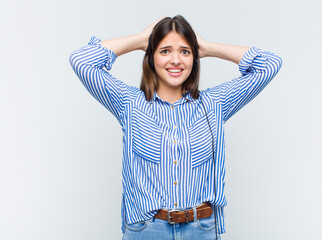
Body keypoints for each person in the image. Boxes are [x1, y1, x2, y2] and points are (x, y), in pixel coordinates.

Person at [69, 15, 282, 240]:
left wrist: (208, 48)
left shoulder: (214, 104)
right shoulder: (129, 104)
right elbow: (82, 60)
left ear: (194, 58)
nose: (175, 60)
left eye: (185, 51)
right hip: (147, 231)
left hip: (201, 230)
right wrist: (141, 40)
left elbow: (269, 64)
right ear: (151, 57)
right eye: (165, 51)